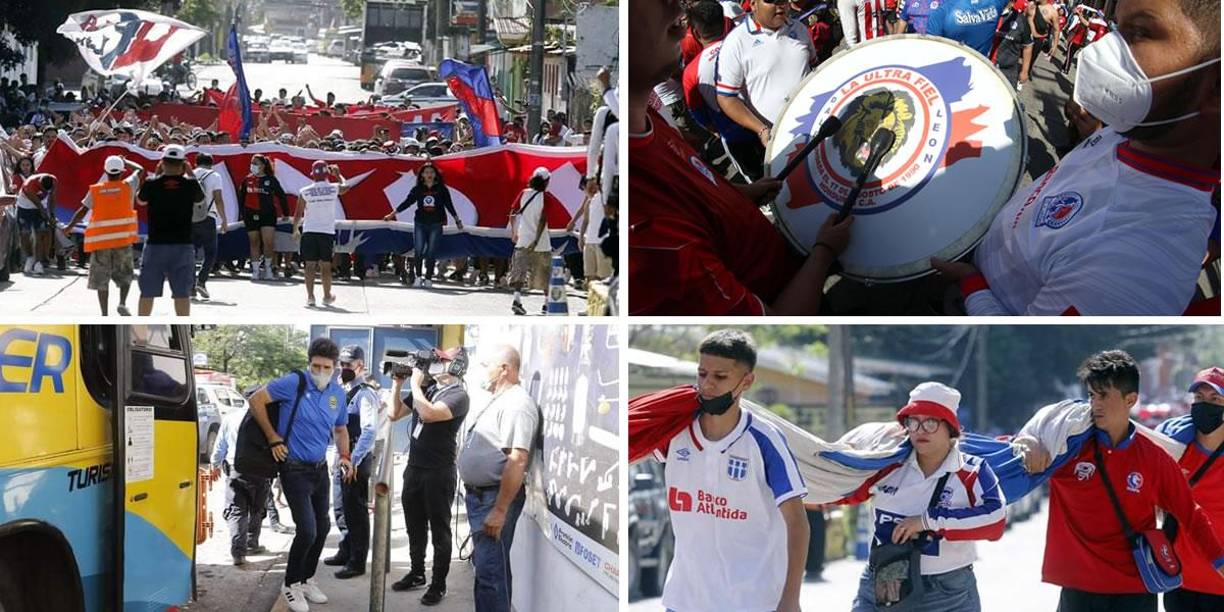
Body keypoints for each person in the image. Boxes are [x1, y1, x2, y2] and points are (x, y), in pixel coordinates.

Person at [933, 0, 1220, 315]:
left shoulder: (1144, 262)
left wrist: (973, 286)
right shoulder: (1128, 133)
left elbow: (1027, 352)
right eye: (1116, 27)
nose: (1101, 52)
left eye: (1138, 32)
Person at [629, 0, 855, 315]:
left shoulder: (654, 124)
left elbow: (697, 195)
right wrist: (823, 253)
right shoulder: (646, 225)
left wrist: (743, 194)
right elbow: (773, 326)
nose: (678, 14)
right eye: (655, 3)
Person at [1012, 351, 1224, 612]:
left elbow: (1191, 515)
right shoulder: (1067, 448)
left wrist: (1219, 561)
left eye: (1103, 395)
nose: (1094, 404)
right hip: (1079, 592)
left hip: (1134, 593)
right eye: (1091, 395)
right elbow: (1008, 457)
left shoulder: (1154, 458)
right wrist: (1023, 443)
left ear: (1130, 399)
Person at [648, 330, 808, 611]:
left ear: (746, 381)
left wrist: (791, 599)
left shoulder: (764, 440)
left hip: (751, 601)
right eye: (702, 374)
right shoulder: (675, 430)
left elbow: (797, 523)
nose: (707, 385)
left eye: (720, 377)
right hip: (684, 599)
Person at [847, 382, 1005, 611]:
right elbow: (846, 491)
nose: (920, 430)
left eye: (931, 421)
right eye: (913, 421)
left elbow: (996, 521)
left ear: (950, 428)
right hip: (885, 581)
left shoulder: (972, 471)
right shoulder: (886, 464)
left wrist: (926, 521)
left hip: (947, 592)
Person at [247, 337, 353, 612]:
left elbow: (341, 430)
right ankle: (290, 584)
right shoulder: (294, 382)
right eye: (315, 366)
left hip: (319, 469)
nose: (320, 371)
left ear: (335, 368)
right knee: (306, 530)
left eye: (326, 367)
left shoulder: (337, 394)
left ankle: (306, 579)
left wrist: (345, 456)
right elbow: (256, 400)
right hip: (293, 468)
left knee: (323, 528)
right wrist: (273, 438)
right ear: (309, 364)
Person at [456, 345, 539, 612]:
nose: (484, 370)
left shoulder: (517, 404)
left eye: (487, 364)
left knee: (491, 576)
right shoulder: (501, 400)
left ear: (505, 368)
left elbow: (517, 459)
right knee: (489, 572)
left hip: (493, 499)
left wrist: (500, 510)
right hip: (482, 497)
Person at [389, 348, 471, 606]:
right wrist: (398, 384)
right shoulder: (428, 389)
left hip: (439, 472)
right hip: (415, 468)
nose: (435, 365)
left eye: (441, 361)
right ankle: (416, 573)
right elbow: (394, 414)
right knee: (414, 526)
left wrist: (415, 383)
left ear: (456, 367)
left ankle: (438, 585)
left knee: (439, 531)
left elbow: (429, 414)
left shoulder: (459, 395)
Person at [715, 0, 815, 179]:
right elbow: (726, 98)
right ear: (753, 4)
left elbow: (814, 66)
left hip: (817, 122)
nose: (781, 6)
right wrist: (761, 129)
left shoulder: (799, 29)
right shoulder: (735, 43)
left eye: (784, 1)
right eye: (773, 1)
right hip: (780, 140)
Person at [1155, 368, 1224, 610]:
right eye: (1199, 398)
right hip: (1180, 585)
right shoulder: (1175, 448)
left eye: (1215, 399)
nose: (1205, 405)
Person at [323, 346, 380, 580]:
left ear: (360, 366)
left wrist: (352, 460)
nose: (344, 368)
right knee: (341, 508)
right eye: (342, 364)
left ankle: (357, 561)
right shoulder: (345, 390)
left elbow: (369, 430)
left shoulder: (365, 394)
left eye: (349, 365)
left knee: (355, 512)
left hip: (355, 458)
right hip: (342, 457)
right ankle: (345, 551)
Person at [63, 155, 144, 315]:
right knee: (126, 275)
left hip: (101, 242)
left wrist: (69, 227)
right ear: (122, 172)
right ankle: (122, 303)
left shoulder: (96, 190)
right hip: (122, 240)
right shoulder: (129, 185)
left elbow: (82, 211)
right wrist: (125, 161)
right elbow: (139, 170)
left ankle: (104, 313)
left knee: (101, 279)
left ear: (105, 171)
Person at [135, 145, 204, 316]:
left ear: (162, 162)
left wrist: (157, 175)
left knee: (147, 292)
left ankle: (141, 331)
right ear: (183, 164)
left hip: (155, 245)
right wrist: (190, 173)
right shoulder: (190, 185)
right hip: (183, 245)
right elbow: (200, 199)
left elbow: (140, 201)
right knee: (182, 293)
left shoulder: (152, 183)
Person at [382, 162, 463, 288]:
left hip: (436, 223)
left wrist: (457, 220)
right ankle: (418, 277)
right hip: (420, 222)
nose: (429, 174)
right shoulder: (417, 189)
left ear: (435, 174)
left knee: (432, 252)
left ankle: (429, 277)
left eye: (431, 172)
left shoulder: (442, 189)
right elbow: (407, 202)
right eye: (426, 172)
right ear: (422, 176)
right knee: (418, 250)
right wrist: (392, 215)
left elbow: (449, 205)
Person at [211, 396, 270, 566]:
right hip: (261, 470)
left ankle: (238, 552)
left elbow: (220, 445)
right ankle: (252, 543)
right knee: (257, 508)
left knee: (237, 510)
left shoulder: (231, 418)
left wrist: (215, 464)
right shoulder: (268, 419)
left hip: (236, 469)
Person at [292, 160, 350, 307]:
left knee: (309, 265)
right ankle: (326, 296)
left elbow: (298, 212)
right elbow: (347, 187)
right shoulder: (333, 188)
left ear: (312, 174)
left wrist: (294, 229)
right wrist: (338, 175)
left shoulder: (304, 191)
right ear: (326, 173)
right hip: (326, 232)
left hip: (309, 231)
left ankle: (310, 297)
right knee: (326, 266)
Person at [507, 167, 555, 315]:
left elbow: (513, 214)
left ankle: (517, 300)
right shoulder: (546, 197)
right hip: (541, 241)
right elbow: (542, 220)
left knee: (519, 270)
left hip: (523, 237)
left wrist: (514, 233)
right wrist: (536, 240)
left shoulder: (523, 193)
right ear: (546, 181)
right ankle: (546, 304)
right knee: (544, 272)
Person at [238, 154, 289, 281]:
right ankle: (255, 271)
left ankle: (268, 270)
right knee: (254, 242)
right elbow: (241, 198)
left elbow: (281, 196)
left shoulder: (271, 180)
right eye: (252, 163)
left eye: (256, 163)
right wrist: (241, 215)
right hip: (250, 214)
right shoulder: (246, 180)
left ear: (263, 165)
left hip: (268, 215)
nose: (253, 165)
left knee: (268, 242)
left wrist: (285, 213)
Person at [190, 153, 228, 301]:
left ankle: (191, 287)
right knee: (210, 253)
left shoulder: (189, 175)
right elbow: (218, 199)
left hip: (189, 219)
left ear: (196, 162)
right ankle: (202, 281)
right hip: (208, 217)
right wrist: (224, 219)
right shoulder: (215, 176)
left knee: (191, 253)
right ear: (211, 163)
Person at [564, 177, 612, 285]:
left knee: (603, 277)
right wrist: (581, 238)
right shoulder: (589, 201)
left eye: (584, 188)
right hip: (589, 242)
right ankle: (593, 300)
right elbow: (585, 220)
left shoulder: (604, 197)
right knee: (590, 276)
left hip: (602, 242)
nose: (585, 191)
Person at [925, 0, 1011, 56]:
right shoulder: (997, 3)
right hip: (982, 69)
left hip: (949, 72)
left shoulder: (940, 13)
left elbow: (932, 51)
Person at [14, 172, 55, 275]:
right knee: (24, 234)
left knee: (41, 234)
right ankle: (30, 257)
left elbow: (53, 197)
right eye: (42, 189)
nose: (45, 191)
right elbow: (38, 205)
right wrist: (46, 215)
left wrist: (52, 214)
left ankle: (38, 262)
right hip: (25, 208)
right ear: (39, 183)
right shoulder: (29, 185)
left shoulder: (54, 181)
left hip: (41, 208)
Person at [994, 0, 1037, 89]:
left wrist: (1024, 71)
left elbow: (1028, 46)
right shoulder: (986, 13)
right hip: (983, 63)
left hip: (1006, 70)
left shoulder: (1021, 21)